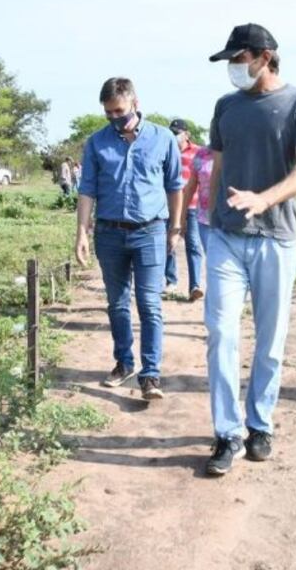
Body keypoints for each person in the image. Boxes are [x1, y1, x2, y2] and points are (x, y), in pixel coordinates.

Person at [203, 23, 296, 475]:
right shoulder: (226, 107)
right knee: (221, 333)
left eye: (238, 59)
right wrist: (208, 217)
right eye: (231, 61)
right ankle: (226, 433)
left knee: (269, 343)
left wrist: (265, 198)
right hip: (226, 238)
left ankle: (260, 424)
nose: (233, 69)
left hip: (276, 238)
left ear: (264, 56)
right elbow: (217, 168)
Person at [75, 77, 183, 401]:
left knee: (149, 303)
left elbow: (175, 185)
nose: (113, 118)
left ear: (135, 103)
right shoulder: (97, 143)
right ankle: (124, 362)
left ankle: (150, 375)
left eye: (118, 111)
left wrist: (174, 228)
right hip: (109, 233)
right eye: (108, 113)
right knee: (117, 304)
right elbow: (87, 190)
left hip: (150, 231)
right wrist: (81, 231)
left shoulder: (163, 138)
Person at [164, 119, 205, 301]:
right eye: (172, 133)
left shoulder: (198, 152)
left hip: (192, 206)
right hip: (169, 206)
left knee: (194, 245)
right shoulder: (165, 151)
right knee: (168, 244)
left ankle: (194, 285)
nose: (174, 136)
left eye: (177, 133)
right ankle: (170, 280)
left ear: (186, 134)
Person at [181, 144, 215, 253]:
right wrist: (181, 217)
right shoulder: (202, 153)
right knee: (212, 259)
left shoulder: (238, 150)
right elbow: (190, 187)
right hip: (205, 219)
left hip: (231, 221)